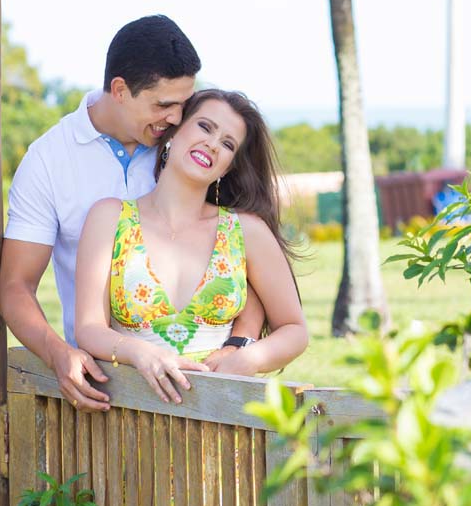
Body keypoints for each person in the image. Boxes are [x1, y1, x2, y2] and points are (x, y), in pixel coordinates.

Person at [0, 16, 263, 414]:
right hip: (107, 390)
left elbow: (243, 250)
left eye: (183, 104)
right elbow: (15, 285)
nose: (176, 118)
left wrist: (240, 342)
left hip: (212, 393)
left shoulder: (189, 145)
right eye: (163, 105)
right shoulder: (48, 161)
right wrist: (57, 353)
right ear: (120, 90)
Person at [74, 89, 308, 406]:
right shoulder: (110, 217)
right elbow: (89, 328)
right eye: (205, 127)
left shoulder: (246, 231)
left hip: (223, 415)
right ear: (174, 132)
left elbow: (294, 329)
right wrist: (140, 353)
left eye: (228, 144)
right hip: (130, 414)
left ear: (227, 167)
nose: (212, 144)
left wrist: (247, 358)